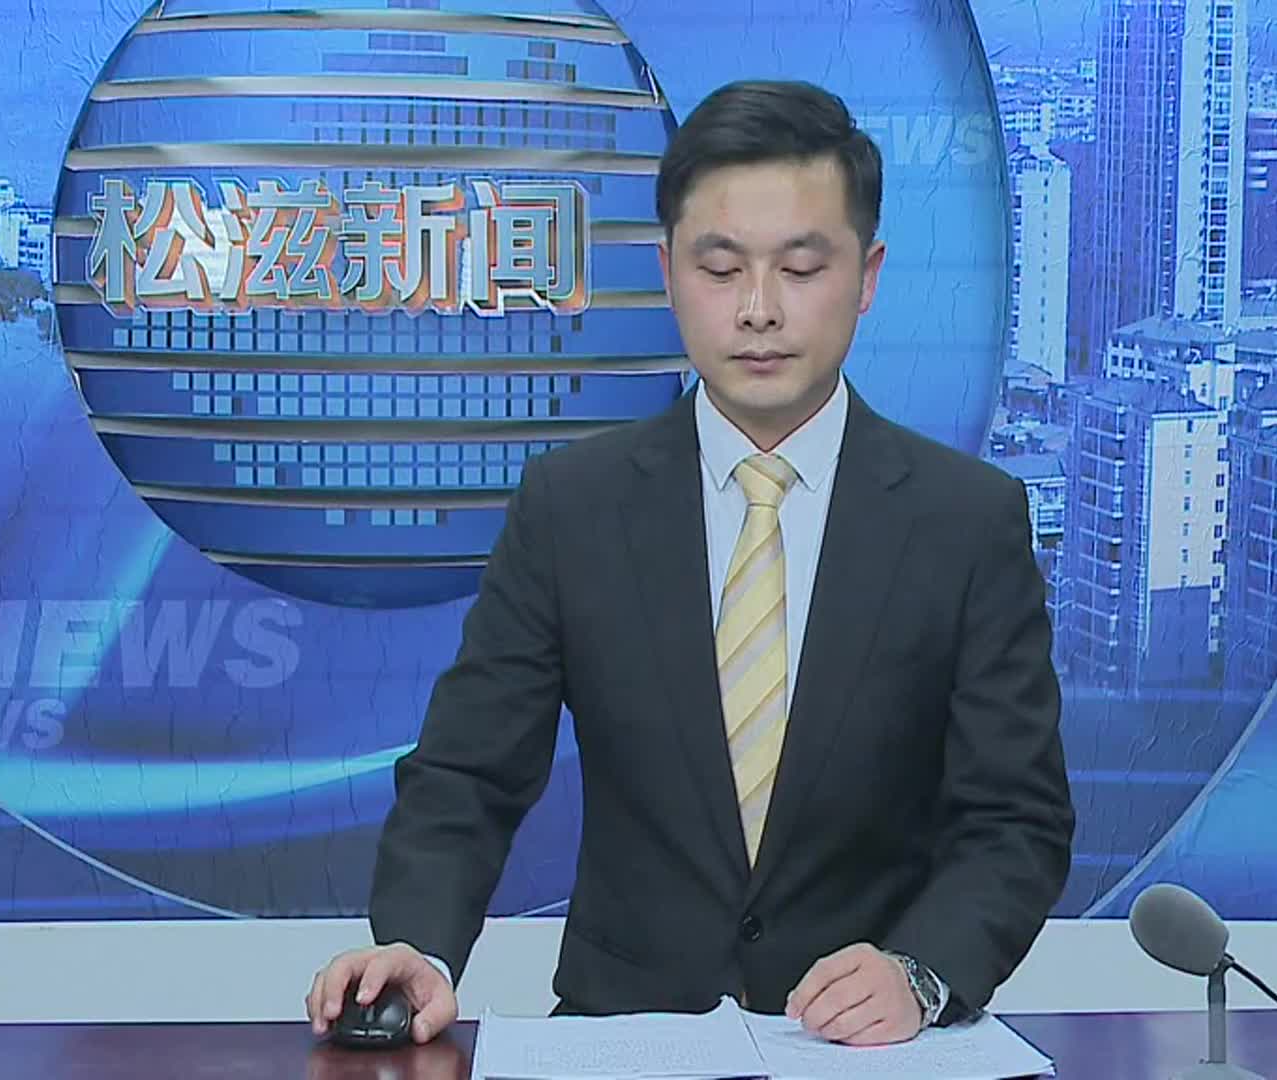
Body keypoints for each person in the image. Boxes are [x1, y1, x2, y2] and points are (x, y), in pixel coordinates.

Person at [306, 79, 1075, 1049]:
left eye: (801, 268)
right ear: (667, 271)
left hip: (869, 1053)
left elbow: (1015, 818)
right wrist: (419, 944)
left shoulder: (966, 521)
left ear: (868, 276)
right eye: (720, 269)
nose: (758, 310)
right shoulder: (573, 507)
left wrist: (921, 973)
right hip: (623, 1042)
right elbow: (467, 774)